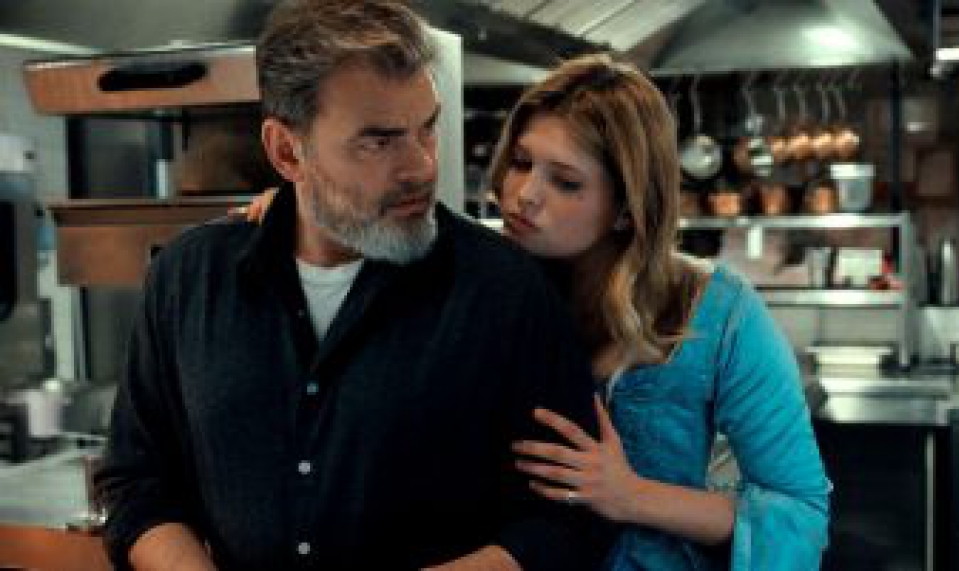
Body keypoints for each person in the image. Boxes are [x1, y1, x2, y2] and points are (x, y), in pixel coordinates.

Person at [242, 54, 831, 570]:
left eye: (565, 182)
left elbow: (799, 508)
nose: (524, 194)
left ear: (627, 208)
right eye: (521, 162)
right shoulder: (477, 281)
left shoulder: (719, 313)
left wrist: (630, 495)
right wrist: (307, 207)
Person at [93, 1, 613, 569]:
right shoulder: (186, 278)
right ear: (287, 151)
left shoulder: (507, 290)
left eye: (427, 128)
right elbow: (136, 483)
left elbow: (569, 518)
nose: (421, 167)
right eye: (378, 141)